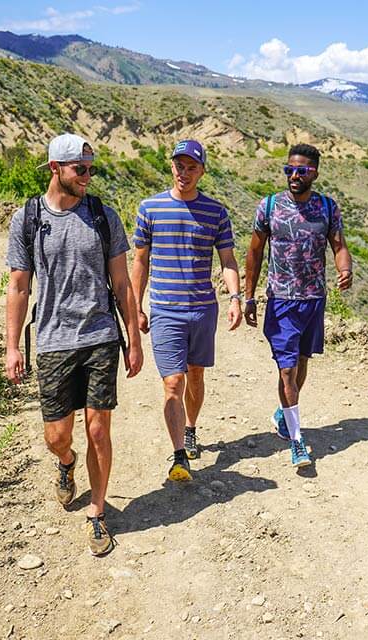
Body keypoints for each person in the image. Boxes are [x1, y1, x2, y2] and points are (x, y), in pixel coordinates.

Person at [4, 133, 143, 557]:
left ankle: (97, 513)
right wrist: (12, 346)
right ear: (55, 169)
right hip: (52, 340)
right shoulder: (27, 219)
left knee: (98, 429)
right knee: (56, 435)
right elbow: (18, 285)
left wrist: (133, 340)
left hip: (99, 335)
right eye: (79, 169)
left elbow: (122, 283)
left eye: (90, 169)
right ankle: (66, 464)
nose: (87, 176)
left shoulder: (103, 216)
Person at [131, 140, 242, 482]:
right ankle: (180, 453)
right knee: (173, 382)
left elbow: (227, 260)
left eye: (192, 167)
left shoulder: (216, 212)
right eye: (179, 165)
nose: (184, 172)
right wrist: (136, 307)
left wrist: (236, 297)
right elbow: (140, 261)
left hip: (202, 309)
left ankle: (190, 427)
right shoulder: (150, 208)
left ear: (202, 171)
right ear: (171, 167)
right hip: (165, 310)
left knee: (195, 376)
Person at [243, 143, 353, 468]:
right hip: (281, 301)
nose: (293, 175)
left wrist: (345, 269)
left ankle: (284, 412)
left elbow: (339, 246)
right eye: (288, 169)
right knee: (287, 369)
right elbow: (254, 252)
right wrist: (248, 296)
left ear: (314, 173)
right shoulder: (270, 207)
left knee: (301, 364)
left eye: (301, 170)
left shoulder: (328, 208)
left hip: (313, 301)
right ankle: (296, 440)